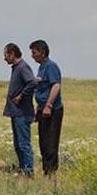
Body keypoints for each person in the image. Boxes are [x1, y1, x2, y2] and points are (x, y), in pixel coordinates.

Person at [3, 42, 37, 177]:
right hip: (16, 113)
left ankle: (28, 171)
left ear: (11, 54)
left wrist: (21, 96)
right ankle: (23, 169)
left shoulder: (22, 67)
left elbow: (33, 82)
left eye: (5, 55)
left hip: (22, 113)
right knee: (18, 144)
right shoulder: (17, 67)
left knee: (23, 144)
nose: (4, 58)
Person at [30, 39, 64, 175]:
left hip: (53, 110)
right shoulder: (41, 67)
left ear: (42, 53)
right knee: (43, 142)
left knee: (51, 142)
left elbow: (56, 86)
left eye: (34, 53)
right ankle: (46, 170)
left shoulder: (51, 66)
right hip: (43, 110)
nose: (32, 55)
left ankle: (51, 172)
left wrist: (48, 105)